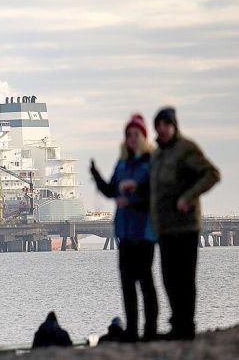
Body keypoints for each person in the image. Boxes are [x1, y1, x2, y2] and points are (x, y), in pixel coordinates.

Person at [150, 107, 220, 341]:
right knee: (168, 278)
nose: (162, 129)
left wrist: (188, 197)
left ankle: (186, 326)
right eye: (158, 125)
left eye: (166, 124)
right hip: (165, 228)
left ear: (174, 126)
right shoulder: (158, 155)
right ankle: (177, 322)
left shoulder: (186, 149)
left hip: (186, 226)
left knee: (185, 278)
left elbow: (212, 174)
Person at [89, 113, 159, 342]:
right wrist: (96, 176)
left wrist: (134, 194)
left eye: (136, 134)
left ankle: (149, 331)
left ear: (144, 136)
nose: (132, 138)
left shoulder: (150, 162)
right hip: (125, 232)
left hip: (144, 231)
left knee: (145, 282)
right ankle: (132, 331)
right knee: (127, 284)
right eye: (128, 134)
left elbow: (152, 193)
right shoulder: (122, 163)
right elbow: (111, 191)